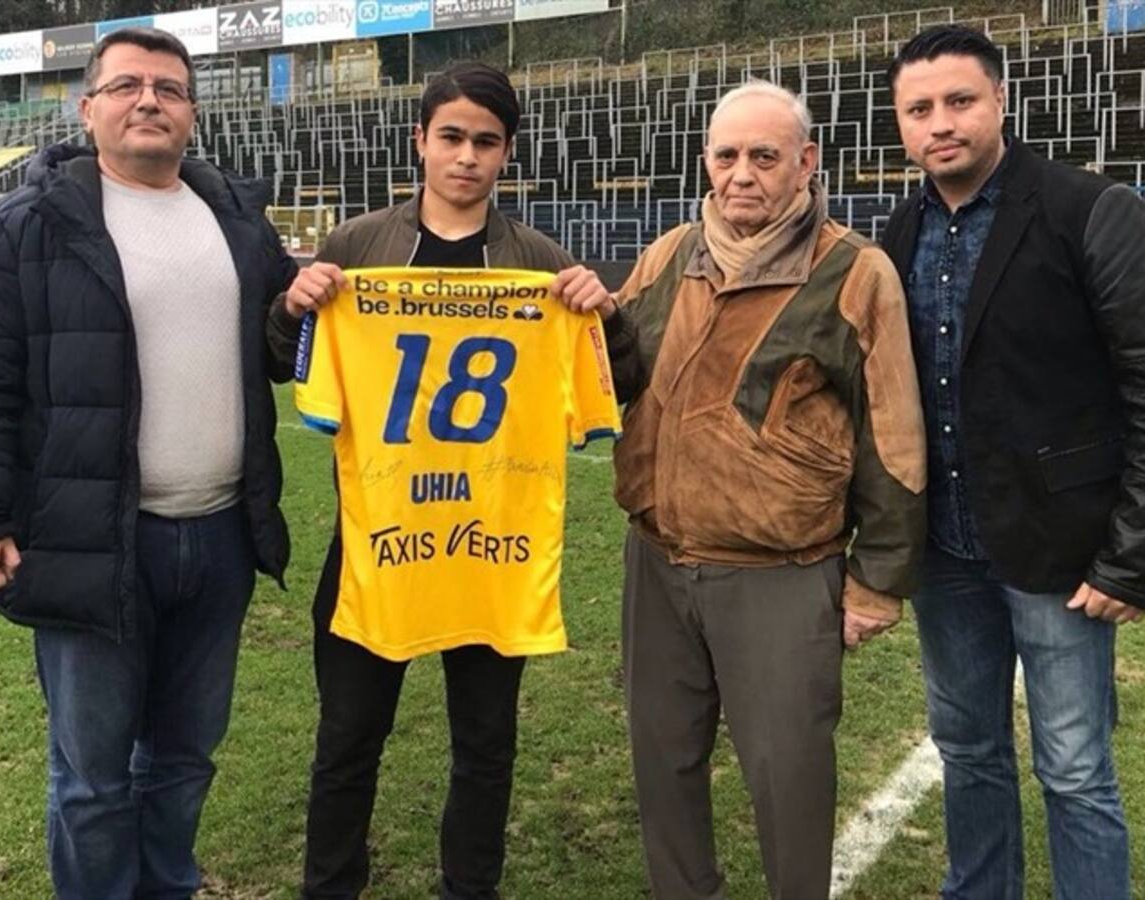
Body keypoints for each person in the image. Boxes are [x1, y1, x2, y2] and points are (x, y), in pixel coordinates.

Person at [0, 27, 299, 899]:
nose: (151, 100)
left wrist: (303, 303)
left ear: (191, 113)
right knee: (96, 778)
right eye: (129, 85)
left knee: (184, 759)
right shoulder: (25, 228)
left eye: (171, 88)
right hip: (90, 540)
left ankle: (167, 889)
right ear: (89, 106)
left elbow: (281, 348)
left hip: (218, 539)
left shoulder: (239, 223)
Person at [560, 78, 927, 900]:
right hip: (657, 558)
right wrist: (594, 321)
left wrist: (877, 582)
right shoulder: (668, 254)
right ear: (706, 163)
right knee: (663, 759)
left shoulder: (855, 272)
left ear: (806, 162)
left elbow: (895, 435)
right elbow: (614, 378)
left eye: (765, 156)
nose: (743, 174)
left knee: (787, 771)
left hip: (781, 572)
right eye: (727, 156)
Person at [271, 62, 613, 900]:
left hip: (492, 544)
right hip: (379, 537)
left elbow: (616, 377)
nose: (467, 157)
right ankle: (331, 886)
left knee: (487, 742)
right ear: (420, 140)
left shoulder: (538, 262)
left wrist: (606, 313)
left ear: (507, 155)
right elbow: (285, 365)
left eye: (486, 142)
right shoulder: (357, 248)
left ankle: (471, 887)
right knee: (349, 735)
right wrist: (291, 309)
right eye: (451, 137)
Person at [882, 24, 1144, 900]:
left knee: (1074, 770)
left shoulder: (1089, 208)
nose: (940, 123)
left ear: (1000, 101)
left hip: (1062, 555)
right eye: (919, 109)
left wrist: (1129, 556)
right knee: (969, 754)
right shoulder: (899, 229)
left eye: (959, 101)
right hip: (948, 554)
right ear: (899, 123)